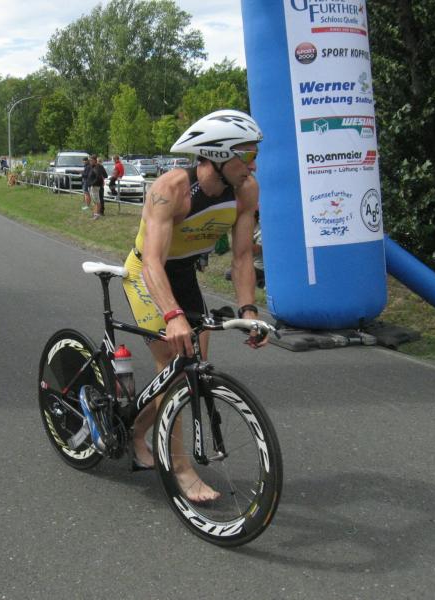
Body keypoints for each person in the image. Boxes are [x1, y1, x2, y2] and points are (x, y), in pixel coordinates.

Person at [118, 109, 265, 502]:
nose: (253, 165)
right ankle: (180, 468)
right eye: (247, 155)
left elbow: (242, 257)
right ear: (218, 155)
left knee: (190, 370)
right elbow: (152, 262)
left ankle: (136, 429)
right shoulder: (171, 189)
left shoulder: (246, 190)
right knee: (171, 359)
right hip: (148, 272)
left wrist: (248, 311)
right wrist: (172, 316)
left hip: (183, 274)